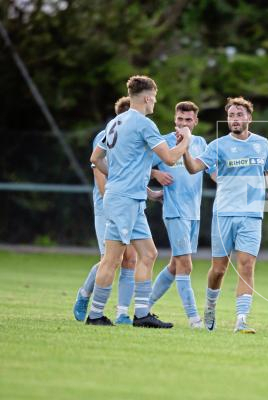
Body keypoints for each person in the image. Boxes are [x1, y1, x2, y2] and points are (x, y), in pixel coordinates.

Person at [87, 75, 192, 327]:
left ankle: (142, 315)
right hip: (124, 200)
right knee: (112, 259)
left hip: (129, 198)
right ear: (146, 98)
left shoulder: (115, 122)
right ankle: (95, 315)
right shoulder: (144, 123)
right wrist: (186, 139)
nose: (155, 102)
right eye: (154, 98)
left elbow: (96, 157)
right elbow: (168, 158)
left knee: (148, 253)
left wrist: (119, 177)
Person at [183, 96, 268, 334]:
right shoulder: (217, 146)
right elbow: (194, 168)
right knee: (219, 270)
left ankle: (241, 319)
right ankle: (210, 306)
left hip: (252, 215)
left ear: (249, 118)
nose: (235, 119)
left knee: (246, 266)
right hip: (224, 214)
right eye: (231, 116)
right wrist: (184, 150)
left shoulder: (262, 144)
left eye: (239, 115)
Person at [73, 97, 138, 325]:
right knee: (110, 258)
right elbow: (100, 174)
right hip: (108, 206)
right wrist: (111, 206)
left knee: (131, 258)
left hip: (129, 204)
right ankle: (84, 295)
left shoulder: (134, 139)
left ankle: (122, 313)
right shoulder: (105, 136)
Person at [147, 101, 208, 329]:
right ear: (175, 119)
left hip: (194, 213)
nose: (183, 124)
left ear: (195, 122)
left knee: (175, 265)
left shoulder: (201, 143)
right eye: (180, 119)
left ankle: (143, 307)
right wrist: (155, 174)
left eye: (188, 120)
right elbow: (136, 168)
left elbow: (214, 172)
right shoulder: (162, 143)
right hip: (174, 211)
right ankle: (194, 320)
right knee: (186, 265)